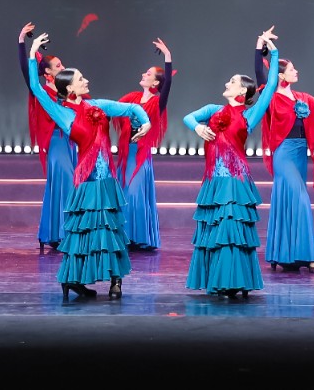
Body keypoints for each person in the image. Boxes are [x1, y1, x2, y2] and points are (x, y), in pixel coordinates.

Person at [27, 32, 150, 300]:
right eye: (81, 79)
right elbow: (35, 88)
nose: (87, 81)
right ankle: (73, 280)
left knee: (111, 230)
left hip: (106, 182)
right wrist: (32, 49)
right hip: (86, 181)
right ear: (70, 88)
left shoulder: (98, 105)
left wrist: (147, 123)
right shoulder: (61, 112)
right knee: (82, 233)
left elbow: (132, 109)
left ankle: (116, 281)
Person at [183, 27, 282, 300]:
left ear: (243, 90)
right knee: (216, 232)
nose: (227, 82)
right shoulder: (212, 110)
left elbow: (271, 86)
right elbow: (188, 117)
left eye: (232, 81)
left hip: (235, 181)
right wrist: (197, 128)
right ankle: (220, 280)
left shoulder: (250, 115)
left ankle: (233, 281)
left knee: (232, 231)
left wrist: (273, 53)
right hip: (214, 181)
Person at [254, 47, 314, 272]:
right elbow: (259, 72)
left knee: (292, 201)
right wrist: (260, 47)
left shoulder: (302, 98)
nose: (297, 71)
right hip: (283, 154)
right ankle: (309, 256)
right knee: (301, 200)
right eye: (292, 69)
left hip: (300, 154)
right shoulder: (270, 96)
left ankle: (288, 255)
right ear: (280, 75)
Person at [112, 39, 174, 250]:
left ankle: (137, 236)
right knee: (123, 193)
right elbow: (113, 108)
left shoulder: (157, 102)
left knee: (135, 193)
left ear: (155, 83)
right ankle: (123, 236)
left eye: (148, 74)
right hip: (126, 154)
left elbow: (168, 85)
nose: (143, 75)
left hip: (140, 155)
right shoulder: (132, 97)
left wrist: (167, 56)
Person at [18, 21, 74, 252]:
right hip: (56, 144)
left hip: (71, 143)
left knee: (70, 184)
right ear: (48, 73)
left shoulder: (68, 90)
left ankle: (58, 232)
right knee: (65, 183)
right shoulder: (42, 92)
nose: (63, 67)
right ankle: (63, 233)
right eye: (58, 65)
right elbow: (27, 71)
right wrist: (23, 42)